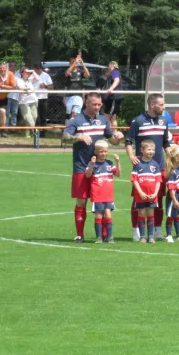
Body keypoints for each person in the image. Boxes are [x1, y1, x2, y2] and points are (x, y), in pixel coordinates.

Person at [62, 92, 124, 243]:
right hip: (81, 168)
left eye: (99, 104)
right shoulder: (76, 120)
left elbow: (112, 141)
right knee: (81, 202)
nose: (97, 107)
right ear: (86, 103)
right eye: (94, 104)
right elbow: (64, 137)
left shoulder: (103, 120)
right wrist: (79, 137)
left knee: (102, 204)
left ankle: (104, 235)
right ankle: (79, 234)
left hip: (100, 170)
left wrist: (118, 138)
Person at [126, 93, 169, 241]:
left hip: (159, 167)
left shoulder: (164, 121)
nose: (164, 107)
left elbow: (165, 143)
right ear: (152, 105)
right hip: (142, 168)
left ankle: (157, 231)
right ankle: (136, 231)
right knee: (138, 201)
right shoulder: (138, 121)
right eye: (161, 105)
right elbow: (128, 141)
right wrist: (131, 156)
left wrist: (172, 158)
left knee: (158, 200)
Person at [85, 140, 121, 244]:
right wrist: (91, 164)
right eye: (101, 151)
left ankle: (109, 237)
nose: (104, 153)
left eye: (105, 151)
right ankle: (99, 237)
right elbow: (87, 175)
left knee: (108, 215)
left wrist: (118, 162)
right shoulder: (93, 164)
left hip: (108, 195)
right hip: (97, 195)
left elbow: (118, 174)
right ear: (95, 151)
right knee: (98, 216)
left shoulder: (109, 163)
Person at [131, 140, 162, 244]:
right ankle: (143, 236)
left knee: (150, 214)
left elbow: (158, 181)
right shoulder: (137, 164)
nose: (151, 151)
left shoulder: (155, 164)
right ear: (142, 150)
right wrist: (140, 192)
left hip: (152, 195)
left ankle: (151, 236)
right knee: (142, 213)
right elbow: (134, 180)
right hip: (141, 196)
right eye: (149, 149)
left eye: (153, 149)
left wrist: (155, 193)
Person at [164, 146, 179, 243]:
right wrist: (174, 200)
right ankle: (169, 235)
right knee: (171, 216)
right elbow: (171, 188)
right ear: (176, 158)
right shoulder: (172, 172)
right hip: (173, 196)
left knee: (178, 216)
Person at [0, 62, 16, 137]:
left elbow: (13, 86)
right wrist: (6, 87)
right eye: (0, 68)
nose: (2, 70)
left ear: (7, 68)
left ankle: (3, 131)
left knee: (3, 112)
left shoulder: (11, 74)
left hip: (4, 98)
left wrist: (2, 86)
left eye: (4, 68)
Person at [16, 67, 40, 138]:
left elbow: (37, 79)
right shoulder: (19, 80)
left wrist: (33, 71)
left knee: (34, 117)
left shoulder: (30, 80)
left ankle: (27, 133)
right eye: (26, 72)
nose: (27, 74)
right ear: (22, 73)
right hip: (24, 102)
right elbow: (20, 87)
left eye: (28, 72)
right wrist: (29, 88)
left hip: (33, 100)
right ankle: (35, 131)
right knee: (28, 118)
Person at [33, 62, 54, 137]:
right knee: (36, 116)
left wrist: (45, 86)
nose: (39, 70)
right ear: (34, 69)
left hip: (43, 98)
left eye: (40, 68)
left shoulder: (46, 75)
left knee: (43, 116)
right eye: (37, 68)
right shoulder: (31, 75)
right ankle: (35, 133)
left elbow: (52, 87)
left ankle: (43, 133)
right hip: (34, 98)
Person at [104, 61, 123, 128]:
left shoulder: (114, 71)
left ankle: (110, 134)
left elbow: (117, 80)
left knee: (107, 116)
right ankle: (114, 133)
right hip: (113, 97)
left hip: (114, 97)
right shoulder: (113, 73)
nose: (108, 67)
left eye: (109, 66)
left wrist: (111, 89)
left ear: (112, 65)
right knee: (113, 117)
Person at [6, 61, 20, 132]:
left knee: (14, 113)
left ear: (15, 67)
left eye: (13, 65)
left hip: (16, 96)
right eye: (11, 66)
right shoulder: (7, 74)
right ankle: (6, 128)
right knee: (7, 113)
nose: (12, 67)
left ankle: (13, 128)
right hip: (8, 96)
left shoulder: (18, 75)